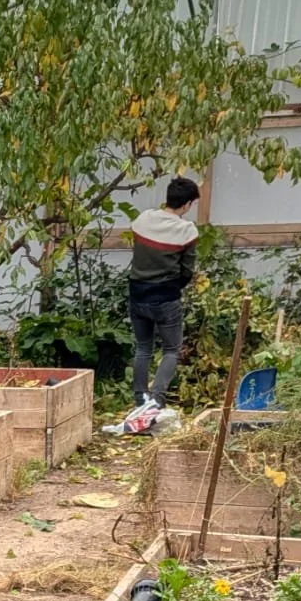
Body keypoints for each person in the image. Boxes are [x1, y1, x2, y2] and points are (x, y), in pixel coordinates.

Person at [119, 175, 201, 432]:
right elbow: (187, 269)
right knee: (171, 350)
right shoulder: (187, 230)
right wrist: (176, 285)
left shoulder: (143, 219)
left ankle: (139, 398)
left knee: (143, 347)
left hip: (137, 293)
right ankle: (156, 399)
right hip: (166, 296)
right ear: (187, 204)